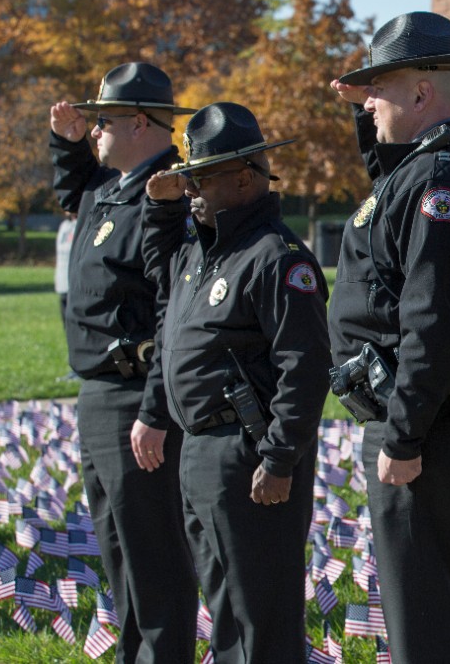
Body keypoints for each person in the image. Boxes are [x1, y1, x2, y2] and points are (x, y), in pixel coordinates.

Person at [327, 11, 450, 664]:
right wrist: (362, 112)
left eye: (381, 85)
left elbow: (433, 320)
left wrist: (403, 434)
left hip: (425, 423)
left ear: (421, 94)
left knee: (424, 622)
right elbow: (388, 189)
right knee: (431, 605)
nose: (369, 98)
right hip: (428, 413)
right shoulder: (434, 163)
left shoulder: (440, 182)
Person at [142, 102, 331, 664]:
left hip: (247, 457)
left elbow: (306, 367)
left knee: (260, 617)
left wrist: (278, 460)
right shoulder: (203, 254)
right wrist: (160, 209)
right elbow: (160, 278)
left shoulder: (275, 257)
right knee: (225, 609)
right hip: (199, 449)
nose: (191, 188)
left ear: (246, 178)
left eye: (203, 176)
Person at [49, 62, 199, 664]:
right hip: (97, 393)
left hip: (134, 399)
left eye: (103, 122)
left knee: (153, 559)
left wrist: (156, 408)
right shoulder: (109, 188)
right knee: (119, 554)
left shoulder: (166, 196)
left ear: (139, 122)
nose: (94, 133)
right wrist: (64, 145)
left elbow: (173, 313)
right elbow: (74, 191)